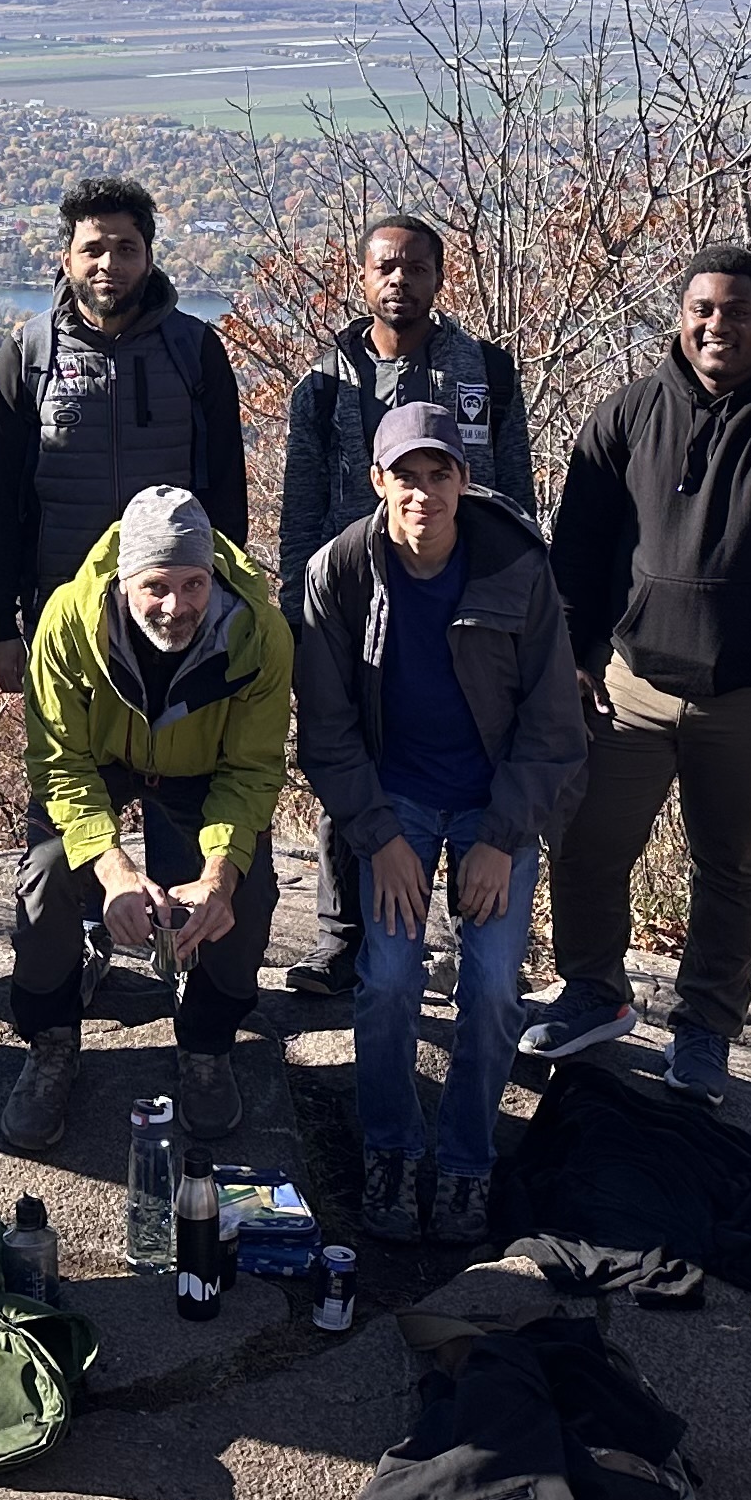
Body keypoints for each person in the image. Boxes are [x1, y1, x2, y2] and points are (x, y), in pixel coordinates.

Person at [524, 247, 751, 1105]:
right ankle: (594, 993)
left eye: (737, 311)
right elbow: (575, 549)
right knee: (585, 845)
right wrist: (571, 657)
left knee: (731, 867)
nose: (718, 325)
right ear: (680, 317)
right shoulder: (627, 415)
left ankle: (706, 1030)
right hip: (630, 685)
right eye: (703, 309)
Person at [291, 405, 582, 1244]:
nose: (424, 493)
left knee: (491, 987)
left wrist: (500, 837)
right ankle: (389, 1145)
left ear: (465, 479)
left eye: (440, 473)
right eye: (406, 476)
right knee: (386, 976)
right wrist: (377, 837)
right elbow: (328, 730)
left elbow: (554, 728)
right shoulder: (340, 571)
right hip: (398, 801)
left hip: (496, 800)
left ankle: (464, 1162)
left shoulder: (517, 568)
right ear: (377, 482)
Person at [275, 213, 538, 1004]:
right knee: (348, 751)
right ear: (361, 279)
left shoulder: (483, 372)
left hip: (467, 600)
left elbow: (516, 492)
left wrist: (519, 591)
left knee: (473, 754)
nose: (400, 280)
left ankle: (470, 942)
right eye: (385, 267)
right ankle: (343, 935)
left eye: (416, 267)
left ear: (439, 276)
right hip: (351, 599)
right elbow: (300, 509)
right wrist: (296, 610)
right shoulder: (323, 384)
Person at [0, 487, 294, 1155]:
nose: (176, 605)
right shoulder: (68, 623)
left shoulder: (258, 635)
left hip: (205, 767)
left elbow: (251, 771)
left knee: (247, 887)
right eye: (156, 586)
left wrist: (217, 874)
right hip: (101, 759)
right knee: (45, 874)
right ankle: (51, 1042)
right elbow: (59, 763)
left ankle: (208, 1044)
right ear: (123, 580)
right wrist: (115, 870)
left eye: (193, 584)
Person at [0, 176, 248, 696]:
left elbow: (227, 484)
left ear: (148, 258)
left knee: (174, 761)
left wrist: (228, 596)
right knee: (65, 766)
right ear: (66, 259)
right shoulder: (30, 355)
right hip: (60, 608)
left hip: (176, 611)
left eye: (126, 249)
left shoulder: (194, 348)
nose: (108, 265)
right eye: (92, 249)